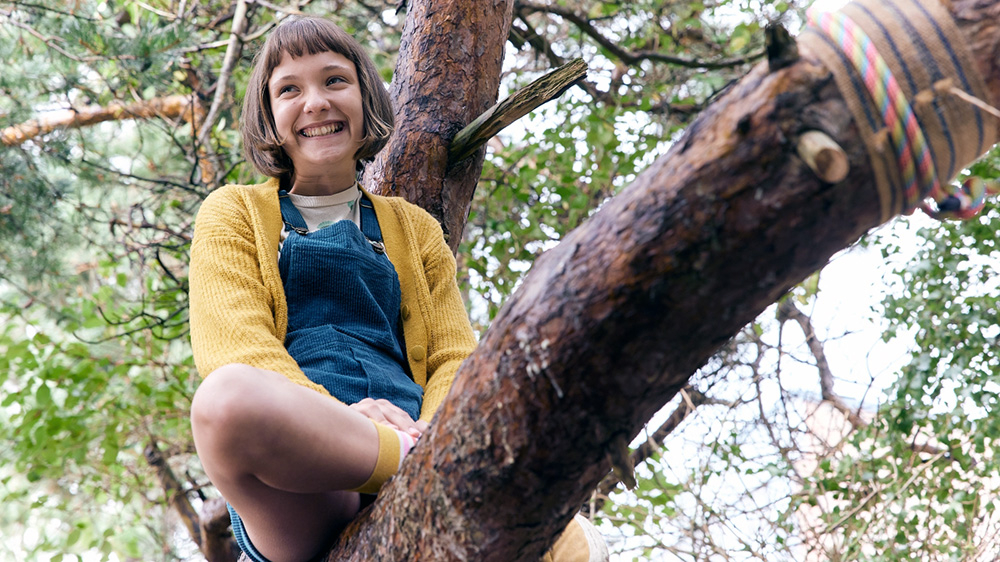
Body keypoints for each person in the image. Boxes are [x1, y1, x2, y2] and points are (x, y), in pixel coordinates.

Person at [188, 16, 605, 562]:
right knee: (226, 399)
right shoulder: (234, 212)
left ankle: (431, 461)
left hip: (416, 432)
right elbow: (235, 347)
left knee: (582, 547)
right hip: (306, 479)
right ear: (268, 116)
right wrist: (349, 420)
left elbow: (454, 356)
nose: (315, 102)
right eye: (289, 89)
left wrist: (432, 429)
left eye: (334, 81)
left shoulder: (414, 228)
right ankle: (440, 468)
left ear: (367, 99)